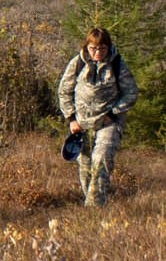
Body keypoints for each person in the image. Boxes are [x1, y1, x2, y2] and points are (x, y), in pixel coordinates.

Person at [58, 25, 139, 207]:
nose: (97, 52)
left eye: (102, 48)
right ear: (87, 47)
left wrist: (113, 113)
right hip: (81, 124)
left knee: (101, 161)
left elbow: (131, 93)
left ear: (108, 47)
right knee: (85, 167)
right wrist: (71, 118)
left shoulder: (117, 65)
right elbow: (64, 91)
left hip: (108, 123)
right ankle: (92, 207)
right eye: (93, 48)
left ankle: (94, 208)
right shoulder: (77, 64)